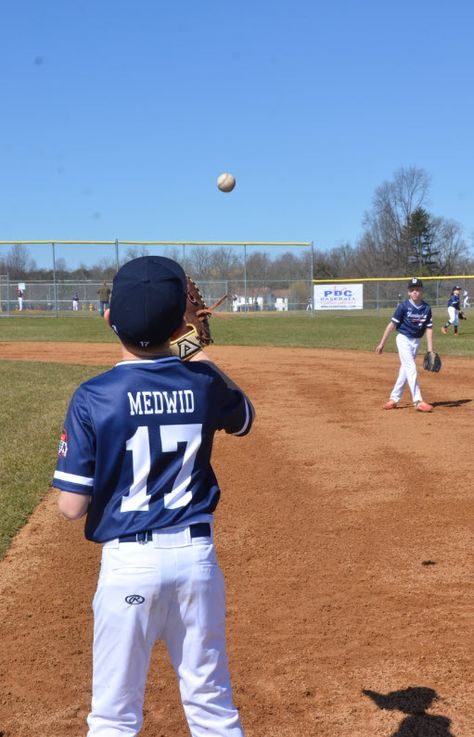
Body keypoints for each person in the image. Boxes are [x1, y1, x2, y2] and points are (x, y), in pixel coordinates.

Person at [53, 256, 254, 737]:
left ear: (108, 319)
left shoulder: (93, 396)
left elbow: (70, 506)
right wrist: (192, 344)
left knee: (113, 718)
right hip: (196, 561)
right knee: (212, 708)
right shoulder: (203, 382)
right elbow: (243, 417)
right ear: (180, 324)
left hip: (128, 566)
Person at [375, 277, 434, 412]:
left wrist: (430, 349)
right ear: (408, 292)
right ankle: (418, 401)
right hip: (403, 339)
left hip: (416, 341)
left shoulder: (426, 308)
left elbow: (429, 328)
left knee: (405, 370)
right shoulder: (403, 306)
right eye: (412, 290)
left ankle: (394, 399)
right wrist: (382, 343)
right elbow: (391, 325)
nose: (415, 292)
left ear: (422, 291)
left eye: (418, 289)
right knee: (411, 367)